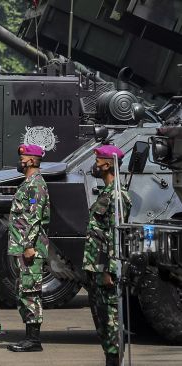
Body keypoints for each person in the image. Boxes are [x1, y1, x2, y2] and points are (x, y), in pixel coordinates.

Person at [83, 145, 131, 366]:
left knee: (111, 318)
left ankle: (114, 360)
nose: (96, 164)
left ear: (109, 164)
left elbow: (116, 234)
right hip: (95, 266)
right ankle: (108, 358)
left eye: (99, 160)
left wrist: (111, 269)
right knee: (100, 317)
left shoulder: (118, 195)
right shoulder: (104, 193)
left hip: (106, 268)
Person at [7, 144, 50, 352]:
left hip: (30, 248)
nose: (21, 160)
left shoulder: (36, 185)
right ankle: (29, 336)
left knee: (31, 291)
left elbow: (34, 218)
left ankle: (34, 340)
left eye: (24, 157)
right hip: (23, 247)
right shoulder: (27, 183)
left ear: (32, 160)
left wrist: (28, 245)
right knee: (24, 291)